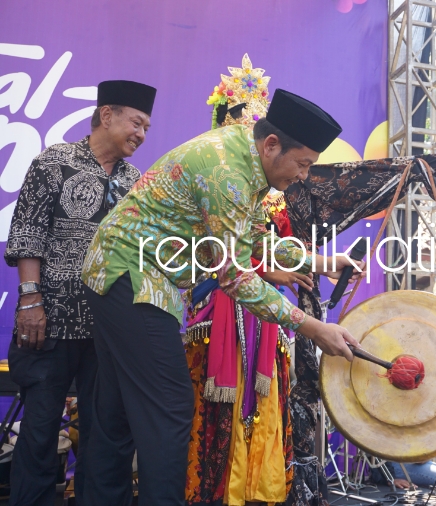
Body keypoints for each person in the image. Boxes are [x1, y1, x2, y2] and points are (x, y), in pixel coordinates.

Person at [80, 88, 364, 506]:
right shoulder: (227, 173)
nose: (303, 175)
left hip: (117, 273)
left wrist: (322, 261)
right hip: (133, 275)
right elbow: (235, 276)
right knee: (171, 410)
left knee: (116, 414)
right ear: (272, 145)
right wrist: (313, 328)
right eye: (302, 164)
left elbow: (251, 239)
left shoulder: (244, 157)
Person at [4, 80, 155, 506]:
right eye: (136, 123)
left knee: (105, 434)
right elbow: (28, 235)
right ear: (106, 116)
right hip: (49, 320)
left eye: (146, 128)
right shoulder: (54, 162)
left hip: (108, 329)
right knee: (39, 430)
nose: (141, 135)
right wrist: (31, 302)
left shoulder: (134, 181)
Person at [182, 56, 312, 505]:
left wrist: (302, 264)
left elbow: (272, 248)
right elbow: (210, 253)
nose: (245, 127)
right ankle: (213, 489)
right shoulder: (216, 178)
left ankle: (258, 487)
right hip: (218, 296)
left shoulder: (269, 198)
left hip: (261, 307)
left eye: (252, 118)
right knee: (212, 399)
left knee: (265, 395)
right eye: (238, 119)